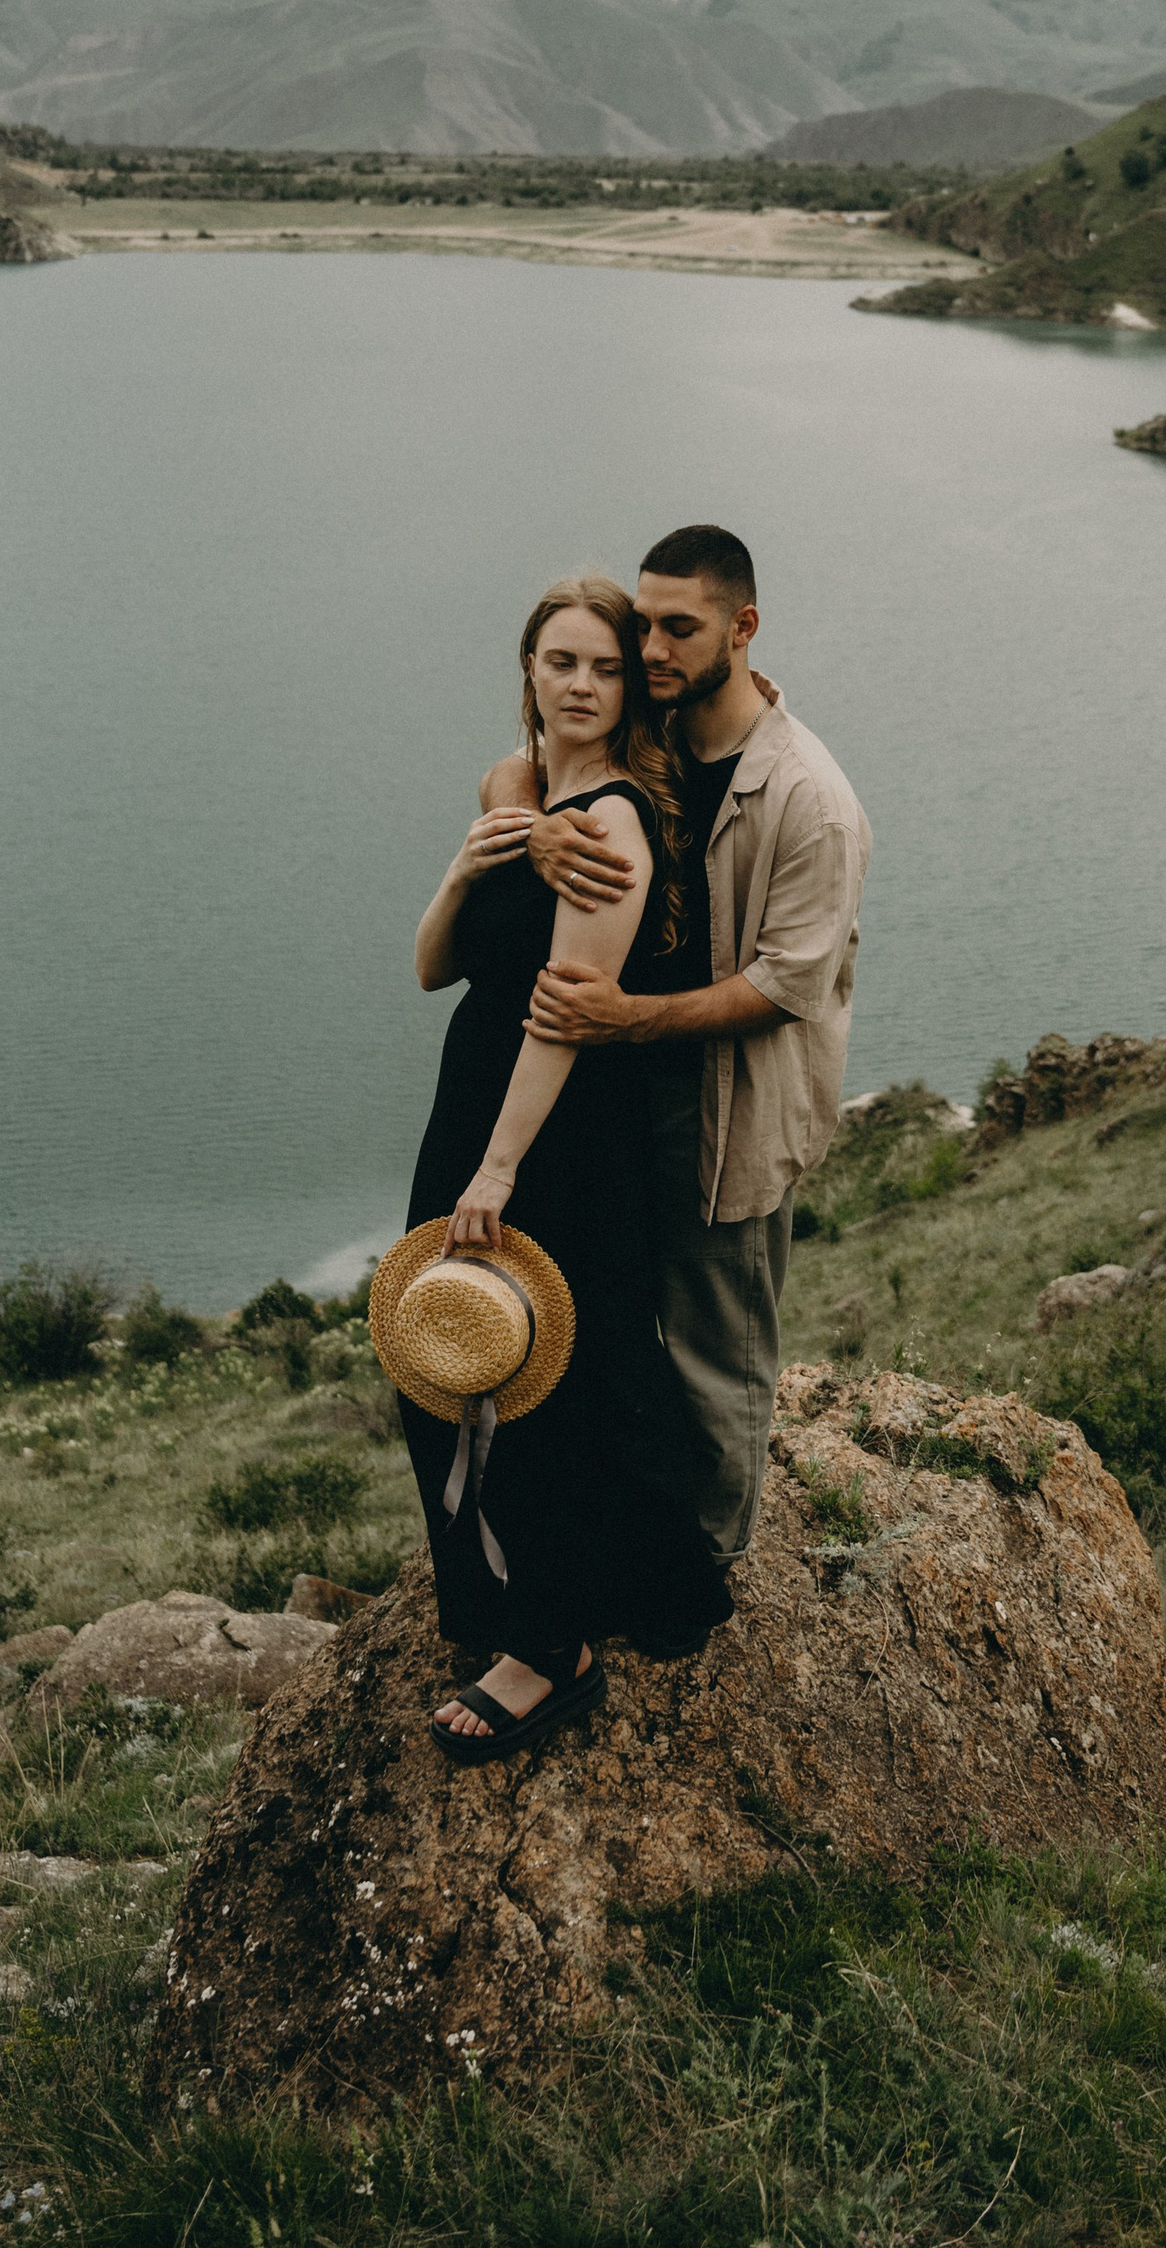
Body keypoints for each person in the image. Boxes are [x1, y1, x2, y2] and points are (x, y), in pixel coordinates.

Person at [399, 573, 731, 1761]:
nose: (581, 684)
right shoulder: (521, 793)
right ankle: (508, 1599)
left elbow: (562, 1017)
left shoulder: (610, 827)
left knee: (539, 1383)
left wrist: (494, 1174)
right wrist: (463, 863)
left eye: (602, 665)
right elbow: (436, 967)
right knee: (447, 1359)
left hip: (550, 1131)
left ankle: (551, 1648)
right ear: (528, 671)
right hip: (471, 1102)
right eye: (561, 663)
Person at [520, 525, 871, 1572]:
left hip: (729, 1116)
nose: (653, 649)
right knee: (618, 1346)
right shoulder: (654, 733)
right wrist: (533, 824)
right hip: (622, 1109)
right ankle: (629, 1544)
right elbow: (523, 764)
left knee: (719, 1364)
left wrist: (626, 1017)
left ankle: (703, 1578)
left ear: (743, 627)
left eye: (681, 627)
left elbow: (783, 986)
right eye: (645, 625)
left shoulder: (810, 796)